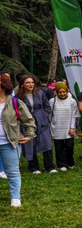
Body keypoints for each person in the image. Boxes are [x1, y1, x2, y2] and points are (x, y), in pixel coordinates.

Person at [0, 72, 36, 207]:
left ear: (3, 85)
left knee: (12, 171)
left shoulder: (15, 102)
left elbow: (29, 120)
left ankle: (15, 197)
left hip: (10, 143)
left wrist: (29, 135)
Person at [17, 74, 55, 174]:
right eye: (27, 82)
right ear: (22, 84)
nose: (30, 84)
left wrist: (45, 116)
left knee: (46, 142)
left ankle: (50, 167)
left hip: (41, 121)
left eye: (32, 82)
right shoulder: (18, 96)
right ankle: (33, 167)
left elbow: (47, 106)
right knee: (30, 143)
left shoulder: (40, 93)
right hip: (27, 122)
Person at [49, 83, 80, 171]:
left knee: (69, 146)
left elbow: (74, 115)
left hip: (68, 127)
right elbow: (49, 115)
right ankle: (61, 164)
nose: (62, 94)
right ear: (56, 92)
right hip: (56, 127)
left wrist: (72, 127)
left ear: (67, 91)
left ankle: (70, 162)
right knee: (59, 147)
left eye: (64, 92)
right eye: (60, 92)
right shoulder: (52, 101)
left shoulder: (72, 101)